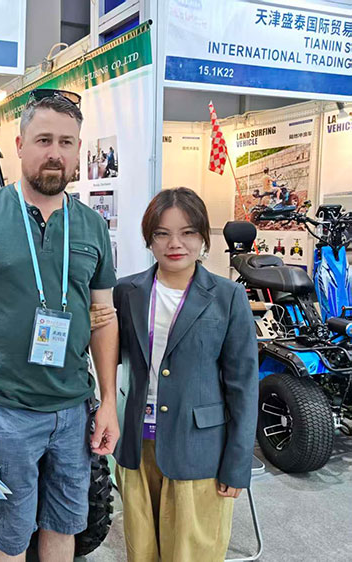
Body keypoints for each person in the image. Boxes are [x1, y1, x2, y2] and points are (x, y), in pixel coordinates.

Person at [0, 89, 120, 562]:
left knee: (65, 523)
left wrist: (108, 401)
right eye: (43, 140)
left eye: (66, 142)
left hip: (74, 407)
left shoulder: (93, 226)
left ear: (78, 150)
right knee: (12, 532)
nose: (55, 153)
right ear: (19, 145)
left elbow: (104, 318)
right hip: (4, 409)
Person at [112, 187, 258, 561]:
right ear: (149, 239)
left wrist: (237, 464)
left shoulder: (227, 296)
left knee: (193, 553)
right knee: (141, 552)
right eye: (162, 233)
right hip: (138, 446)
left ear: (203, 237)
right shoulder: (126, 291)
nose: (175, 244)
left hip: (200, 450)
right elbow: (108, 354)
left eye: (187, 232)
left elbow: (243, 387)